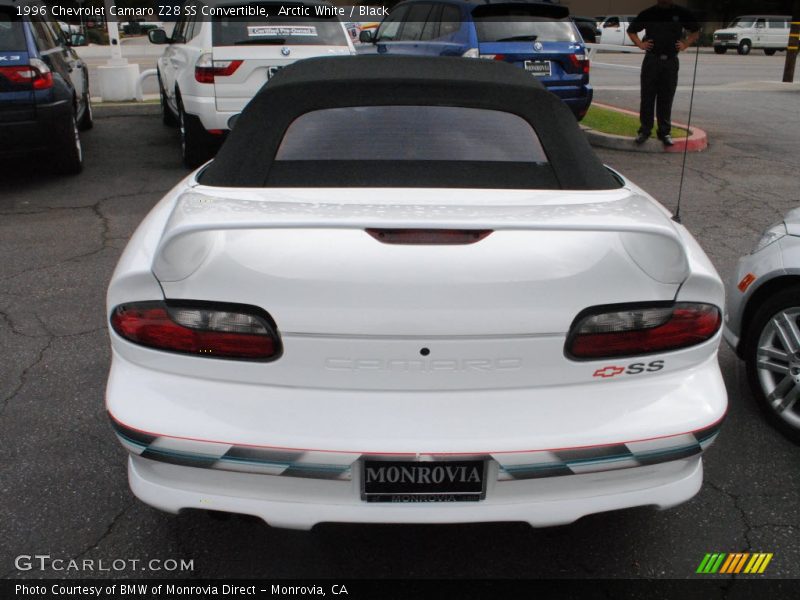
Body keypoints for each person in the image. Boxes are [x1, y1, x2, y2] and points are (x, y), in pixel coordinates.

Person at [627, 0, 700, 146]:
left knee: (666, 97)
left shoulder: (681, 13)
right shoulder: (648, 13)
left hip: (670, 61)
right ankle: (644, 131)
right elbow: (631, 30)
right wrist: (640, 44)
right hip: (651, 60)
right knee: (647, 97)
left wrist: (685, 43)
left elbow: (696, 30)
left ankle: (664, 132)